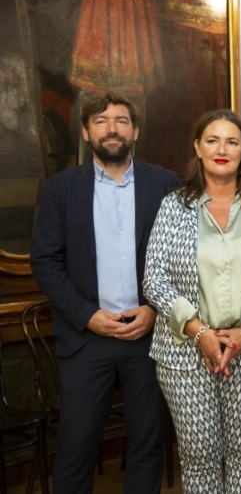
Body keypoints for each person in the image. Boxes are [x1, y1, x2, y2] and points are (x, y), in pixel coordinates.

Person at [30, 90, 180, 493]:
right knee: (76, 446)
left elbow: (184, 259)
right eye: (100, 121)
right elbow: (45, 261)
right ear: (85, 131)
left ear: (135, 132)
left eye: (120, 121)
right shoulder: (61, 188)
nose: (111, 128)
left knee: (147, 445)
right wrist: (86, 315)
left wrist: (153, 309)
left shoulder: (166, 183)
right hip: (86, 338)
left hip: (148, 336)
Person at [143, 109, 241, 492]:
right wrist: (200, 334)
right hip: (184, 353)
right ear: (198, 147)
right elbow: (154, 279)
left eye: (232, 141)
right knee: (198, 453)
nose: (221, 149)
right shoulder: (174, 206)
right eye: (212, 140)